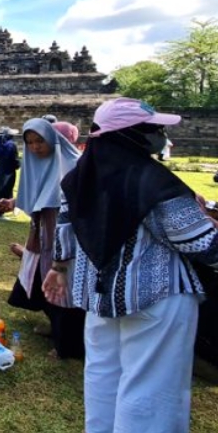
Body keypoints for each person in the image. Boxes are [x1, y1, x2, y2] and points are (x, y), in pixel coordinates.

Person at [42, 98, 218, 432]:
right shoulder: (150, 181)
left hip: (97, 294)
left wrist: (59, 268)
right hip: (156, 296)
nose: (162, 135)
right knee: (152, 387)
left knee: (103, 377)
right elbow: (199, 242)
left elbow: (65, 228)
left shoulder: (80, 176)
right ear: (132, 135)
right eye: (155, 129)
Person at [0, 118, 85, 360]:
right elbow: (36, 194)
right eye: (30, 143)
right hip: (44, 235)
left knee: (66, 289)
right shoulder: (39, 163)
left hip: (70, 239)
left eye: (40, 141)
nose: (35, 147)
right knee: (46, 283)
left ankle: (69, 345)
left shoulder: (73, 165)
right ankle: (58, 333)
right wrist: (14, 202)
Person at [0, 126, 20, 219]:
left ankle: (2, 210)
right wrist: (17, 165)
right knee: (6, 191)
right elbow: (14, 160)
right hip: (9, 171)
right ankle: (0, 212)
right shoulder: (11, 145)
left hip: (0, 170)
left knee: (0, 190)